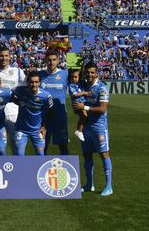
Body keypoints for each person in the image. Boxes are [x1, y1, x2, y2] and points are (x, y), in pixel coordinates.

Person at [73, 62, 113, 196]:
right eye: (87, 72)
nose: (90, 75)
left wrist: (84, 108)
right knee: (87, 155)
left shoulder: (102, 88)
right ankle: (90, 184)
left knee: (104, 154)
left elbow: (102, 109)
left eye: (92, 72)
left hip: (99, 127)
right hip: (87, 126)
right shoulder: (83, 86)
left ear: (96, 73)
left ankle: (109, 186)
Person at [0, 46, 26, 155]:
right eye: (1, 55)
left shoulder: (17, 71)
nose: (4, 58)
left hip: (13, 113)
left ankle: (18, 169)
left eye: (6, 55)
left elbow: (26, 89)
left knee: (16, 144)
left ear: (10, 56)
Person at [12, 71, 53, 156]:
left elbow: (50, 111)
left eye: (36, 82)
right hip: (21, 130)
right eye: (31, 82)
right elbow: (9, 93)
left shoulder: (46, 96)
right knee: (19, 154)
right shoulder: (20, 90)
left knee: (41, 155)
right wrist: (17, 102)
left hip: (37, 130)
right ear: (27, 82)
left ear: (40, 83)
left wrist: (44, 126)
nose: (33, 84)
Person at [39, 49, 69, 155]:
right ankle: (40, 171)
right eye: (49, 60)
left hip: (60, 117)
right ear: (45, 60)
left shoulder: (65, 75)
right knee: (42, 148)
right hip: (43, 119)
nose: (51, 62)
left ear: (58, 61)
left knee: (63, 147)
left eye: (54, 60)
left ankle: (66, 170)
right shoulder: (39, 75)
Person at [68, 69, 91, 142]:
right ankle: (79, 131)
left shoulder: (81, 83)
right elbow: (75, 94)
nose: (74, 79)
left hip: (83, 103)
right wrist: (84, 93)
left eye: (75, 77)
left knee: (82, 117)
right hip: (77, 104)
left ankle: (79, 130)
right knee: (84, 116)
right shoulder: (72, 85)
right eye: (72, 77)